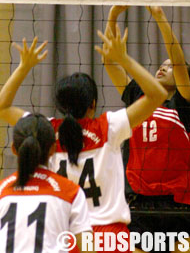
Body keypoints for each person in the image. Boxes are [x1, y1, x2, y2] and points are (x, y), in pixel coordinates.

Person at [0, 30, 167, 252]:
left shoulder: (45, 131)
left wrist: (23, 67)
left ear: (60, 104)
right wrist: (123, 59)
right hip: (110, 237)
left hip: (67, 238)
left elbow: (3, 106)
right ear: (93, 104)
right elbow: (157, 94)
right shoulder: (109, 127)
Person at [103, 0, 190, 253]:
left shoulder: (184, 103)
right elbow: (110, 62)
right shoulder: (139, 98)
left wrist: (159, 17)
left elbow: (181, 63)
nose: (163, 68)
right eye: (160, 65)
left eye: (168, 67)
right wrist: (114, 14)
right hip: (139, 202)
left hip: (179, 203)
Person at [0, 113, 93, 253]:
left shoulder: (2, 190)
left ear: (14, 149)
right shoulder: (70, 192)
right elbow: (87, 249)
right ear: (53, 149)